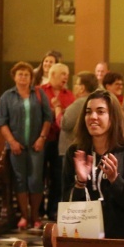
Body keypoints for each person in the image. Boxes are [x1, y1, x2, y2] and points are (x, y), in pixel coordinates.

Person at [62, 90, 124, 239]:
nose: (93, 117)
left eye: (100, 112)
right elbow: (66, 203)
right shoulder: (75, 152)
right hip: (82, 236)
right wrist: (80, 182)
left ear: (113, 117)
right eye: (88, 112)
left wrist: (115, 179)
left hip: (120, 238)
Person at [0, 62, 52, 230]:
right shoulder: (7, 96)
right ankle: (24, 216)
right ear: (14, 76)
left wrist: (42, 138)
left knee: (35, 180)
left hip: (36, 145)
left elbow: (48, 118)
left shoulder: (39, 93)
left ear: (31, 77)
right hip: (16, 146)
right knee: (20, 180)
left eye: (26, 75)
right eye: (20, 74)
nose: (23, 77)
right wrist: (12, 142)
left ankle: (35, 215)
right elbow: (1, 122)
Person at [40, 62, 75, 221]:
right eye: (63, 74)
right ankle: (38, 210)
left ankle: (53, 210)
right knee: (39, 175)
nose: (66, 77)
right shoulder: (40, 92)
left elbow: (69, 119)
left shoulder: (69, 95)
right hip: (42, 140)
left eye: (67, 75)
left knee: (58, 176)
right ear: (52, 75)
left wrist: (59, 110)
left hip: (61, 142)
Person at [59, 72, 99, 160]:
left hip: (71, 148)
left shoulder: (80, 103)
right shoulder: (92, 101)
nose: (74, 86)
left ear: (82, 88)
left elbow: (65, 124)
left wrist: (58, 110)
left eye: (76, 84)